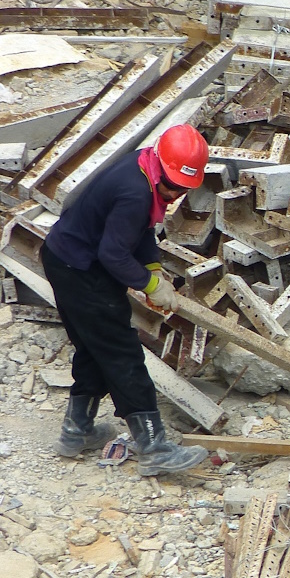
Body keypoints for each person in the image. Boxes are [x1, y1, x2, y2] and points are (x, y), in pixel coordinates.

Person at [43, 123, 211, 476]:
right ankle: (154, 448)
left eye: (183, 189)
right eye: (173, 187)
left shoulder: (145, 164)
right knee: (122, 354)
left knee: (95, 348)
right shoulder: (135, 192)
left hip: (67, 259)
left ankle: (76, 433)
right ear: (162, 167)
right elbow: (113, 255)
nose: (175, 195)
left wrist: (152, 267)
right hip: (82, 270)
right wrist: (151, 285)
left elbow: (142, 229)